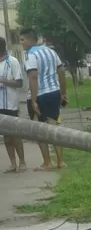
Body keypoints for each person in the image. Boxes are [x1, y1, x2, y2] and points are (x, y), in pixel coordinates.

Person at [21, 28, 68, 171]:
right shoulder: (51, 51)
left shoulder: (30, 55)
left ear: (30, 40)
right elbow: (61, 72)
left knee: (38, 130)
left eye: (22, 39)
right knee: (53, 127)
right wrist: (63, 92)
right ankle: (60, 161)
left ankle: (47, 162)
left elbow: (33, 76)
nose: (21, 43)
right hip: (54, 92)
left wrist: (34, 100)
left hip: (39, 95)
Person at [0, 37, 27, 173]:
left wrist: (3, 81)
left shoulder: (12, 62)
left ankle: (22, 162)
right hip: (0, 105)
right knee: (6, 135)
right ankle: (12, 163)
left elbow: (19, 83)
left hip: (11, 104)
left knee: (15, 134)